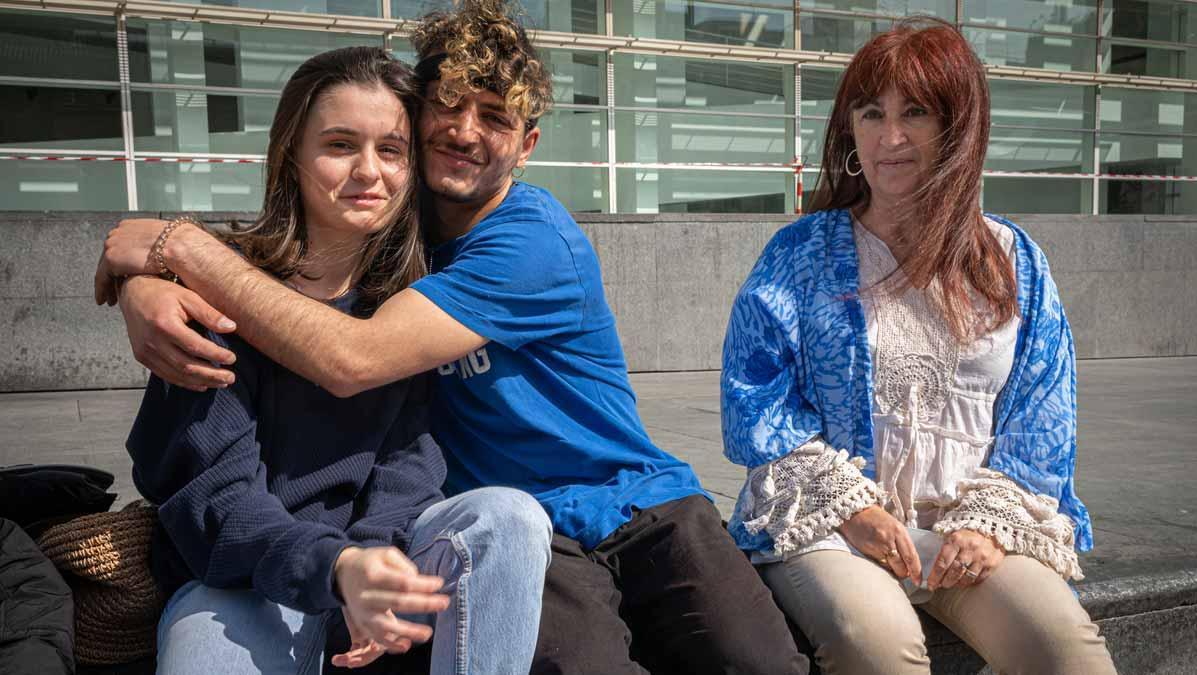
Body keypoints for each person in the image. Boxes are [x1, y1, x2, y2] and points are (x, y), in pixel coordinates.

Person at [94, 1, 808, 673]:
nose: (465, 130)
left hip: (635, 504)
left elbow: (358, 366)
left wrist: (173, 248)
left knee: (761, 663)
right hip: (491, 541)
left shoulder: (522, 244)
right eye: (448, 104)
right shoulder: (400, 258)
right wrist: (149, 285)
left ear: (526, 147)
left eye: (494, 116)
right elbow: (217, 485)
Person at [123, 46, 552, 675]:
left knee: (509, 518)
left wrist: (372, 559)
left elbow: (411, 460)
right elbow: (215, 499)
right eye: (340, 144)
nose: (368, 172)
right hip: (246, 582)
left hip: (376, 565)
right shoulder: (211, 295)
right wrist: (336, 568)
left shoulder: (409, 301)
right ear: (291, 154)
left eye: (390, 150)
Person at [720, 18, 1119, 674]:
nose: (891, 137)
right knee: (877, 643)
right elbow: (754, 399)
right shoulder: (801, 254)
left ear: (957, 129)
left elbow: (1041, 417)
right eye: (872, 113)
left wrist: (989, 523)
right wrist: (852, 509)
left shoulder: (1014, 261)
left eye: (917, 113)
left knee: (1067, 650)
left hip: (967, 529)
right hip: (831, 525)